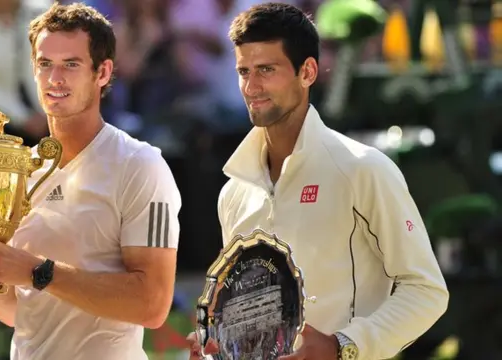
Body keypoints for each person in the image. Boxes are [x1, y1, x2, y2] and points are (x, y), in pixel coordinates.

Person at [187, 3, 449, 360]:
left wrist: (342, 347)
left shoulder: (364, 169)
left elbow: (427, 290)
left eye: (266, 69)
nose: (251, 86)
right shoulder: (234, 192)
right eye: (243, 71)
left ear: (307, 71)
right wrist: (217, 346)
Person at [0, 3, 181, 359]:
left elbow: (153, 305)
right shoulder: (19, 171)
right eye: (44, 64)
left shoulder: (141, 165)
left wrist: (38, 271)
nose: (55, 79)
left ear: (103, 72)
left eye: (71, 64)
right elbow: (20, 312)